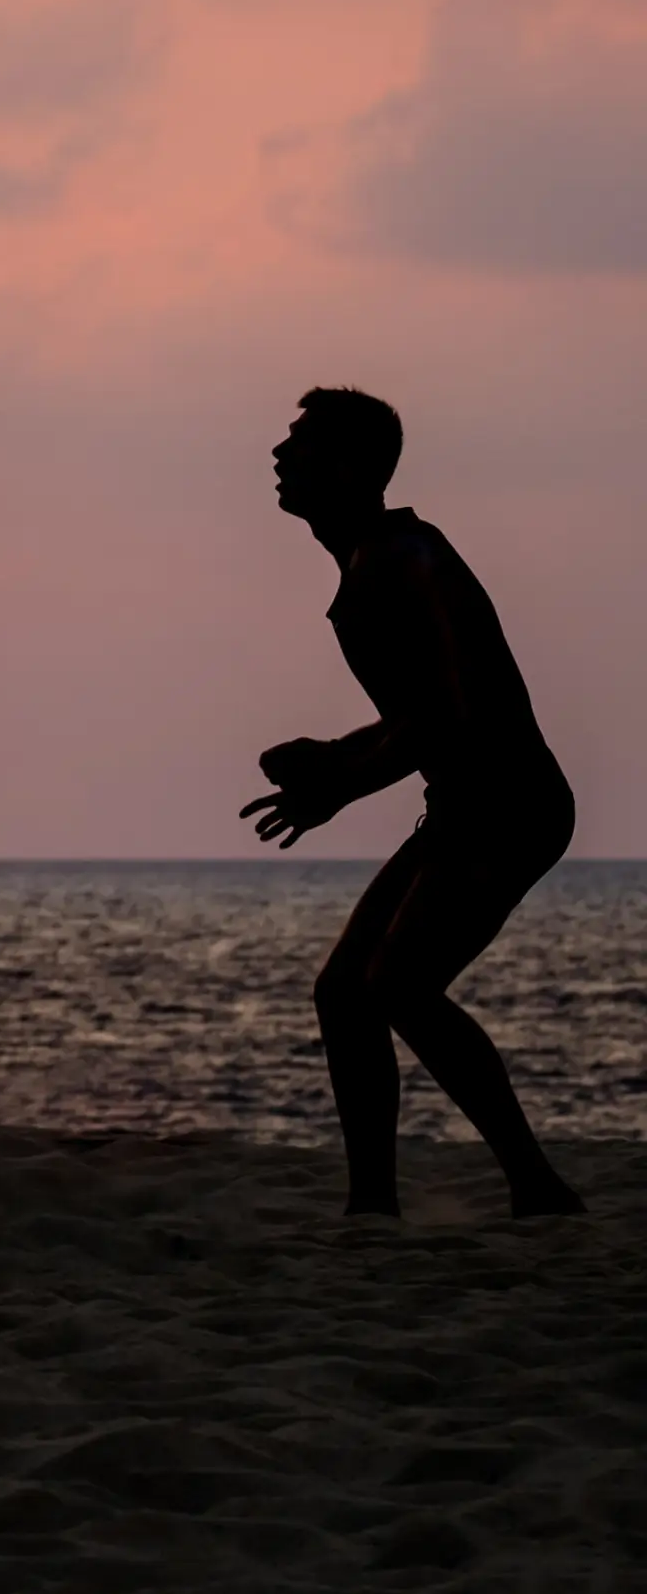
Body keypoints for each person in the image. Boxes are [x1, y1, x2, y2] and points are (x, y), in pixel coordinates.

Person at [241, 387, 584, 1219]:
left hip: (512, 807)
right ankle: (372, 1206)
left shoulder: (404, 559)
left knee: (398, 985)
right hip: (465, 806)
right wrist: (337, 761)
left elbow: (448, 716)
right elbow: (421, 718)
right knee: (344, 993)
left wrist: (340, 781)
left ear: (353, 470)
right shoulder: (373, 562)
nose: (282, 458)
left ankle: (537, 1189)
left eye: (304, 447)